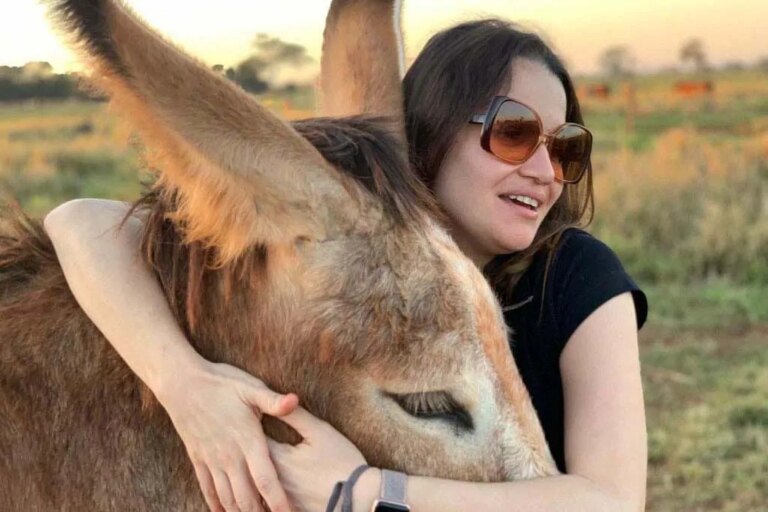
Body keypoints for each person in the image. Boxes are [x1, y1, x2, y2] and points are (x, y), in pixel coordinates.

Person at [44, 18, 648, 512]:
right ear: (433, 127)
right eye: (514, 132)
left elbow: (616, 503)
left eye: (566, 147)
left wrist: (365, 493)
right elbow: (82, 222)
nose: (545, 172)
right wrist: (184, 383)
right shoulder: (340, 250)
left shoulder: (578, 273)